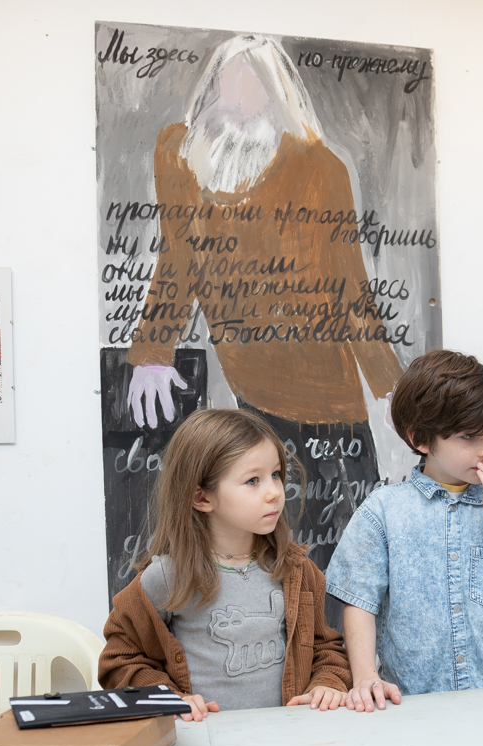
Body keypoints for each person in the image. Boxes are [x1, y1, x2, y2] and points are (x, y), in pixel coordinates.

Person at [121, 34, 405, 579]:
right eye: (226, 78)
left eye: (251, 79)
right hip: (251, 390)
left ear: (277, 93)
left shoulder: (319, 166)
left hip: (328, 398)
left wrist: (393, 387)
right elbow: (177, 258)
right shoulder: (179, 152)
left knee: (349, 555)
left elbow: (350, 284)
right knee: (272, 558)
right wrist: (151, 352)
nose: (235, 93)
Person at [326, 350, 483, 711]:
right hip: (412, 704)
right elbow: (360, 601)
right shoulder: (384, 510)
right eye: (468, 436)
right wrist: (365, 675)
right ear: (421, 439)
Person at [99, 408, 352, 719]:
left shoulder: (295, 569)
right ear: (202, 498)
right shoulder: (169, 576)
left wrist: (327, 683)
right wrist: (168, 698)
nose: (274, 492)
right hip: (204, 743)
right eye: (253, 481)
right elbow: (120, 660)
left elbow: (326, 649)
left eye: (275, 474)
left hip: (286, 740)